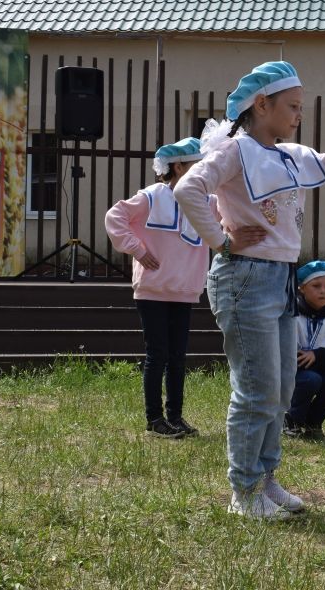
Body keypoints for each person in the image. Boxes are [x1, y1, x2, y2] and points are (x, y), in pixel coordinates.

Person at [174, 61, 325, 519]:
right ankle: (243, 491)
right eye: (291, 106)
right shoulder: (235, 151)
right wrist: (222, 240)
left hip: (281, 279)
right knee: (257, 388)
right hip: (244, 277)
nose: (298, 114)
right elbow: (189, 188)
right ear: (261, 104)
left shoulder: (290, 155)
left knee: (282, 385)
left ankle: (266, 481)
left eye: (300, 107)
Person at [105, 138, 221, 438]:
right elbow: (115, 217)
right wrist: (138, 249)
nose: (202, 172)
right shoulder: (153, 196)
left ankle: (176, 416)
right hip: (153, 289)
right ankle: (154, 419)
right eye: (197, 166)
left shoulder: (207, 201)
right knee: (158, 354)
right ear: (178, 166)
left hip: (185, 289)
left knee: (178, 355)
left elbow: (229, 219)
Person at [284, 260, 325, 440]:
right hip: (293, 372)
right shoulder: (290, 314)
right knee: (310, 379)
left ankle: (313, 423)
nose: (323, 291)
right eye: (316, 286)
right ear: (302, 288)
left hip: (320, 370)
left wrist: (318, 355)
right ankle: (291, 420)